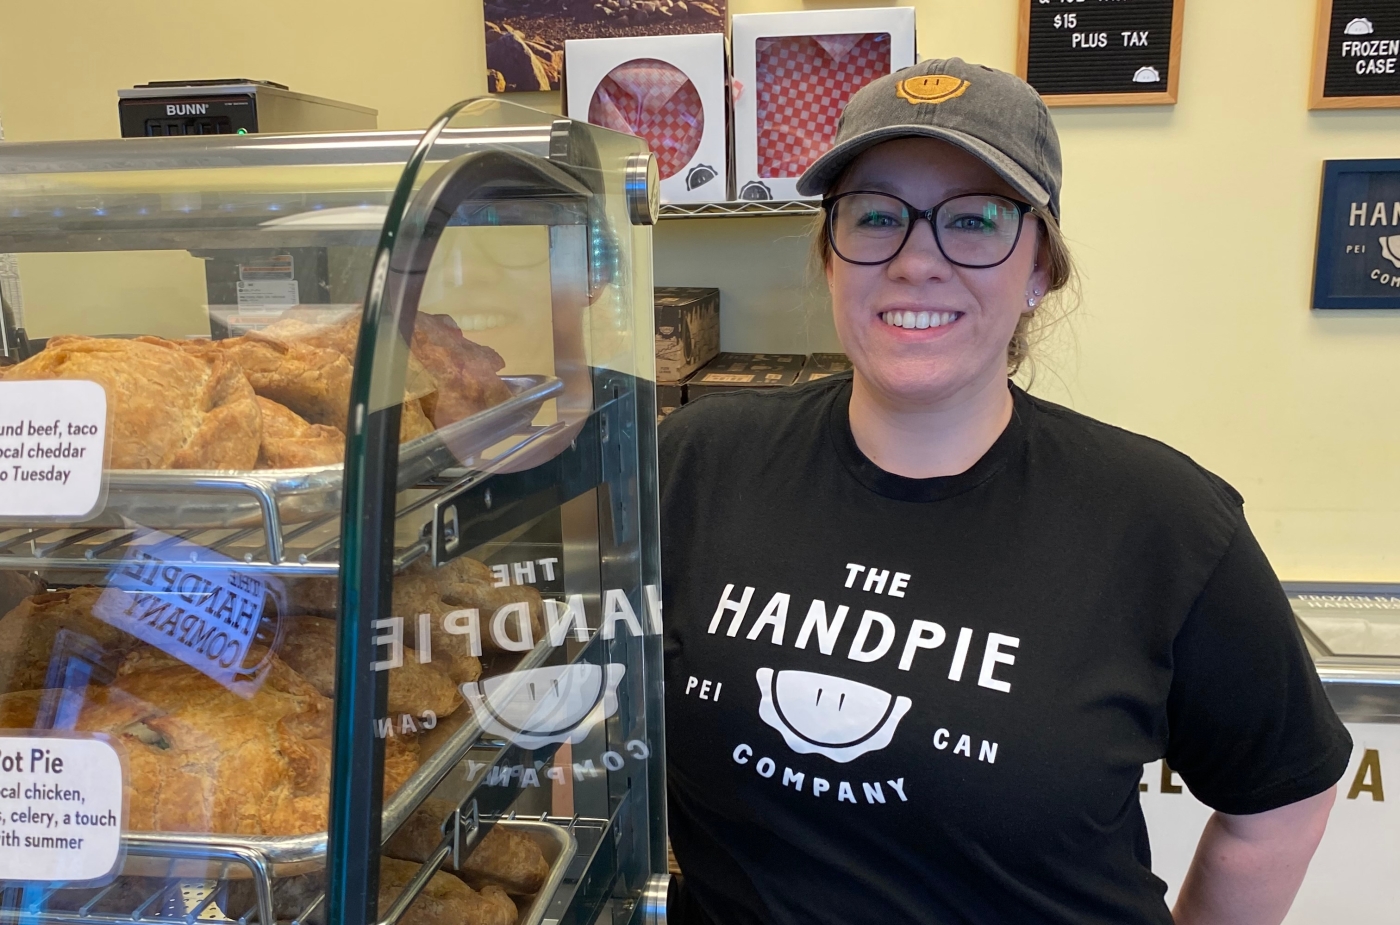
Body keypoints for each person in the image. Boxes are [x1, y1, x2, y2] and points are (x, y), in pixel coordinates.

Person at [658, 58, 1351, 925]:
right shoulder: (694, 464)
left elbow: (1281, 802)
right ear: (830, 260)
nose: (917, 262)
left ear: (1038, 272)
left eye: (975, 221)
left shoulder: (1163, 522)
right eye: (876, 217)